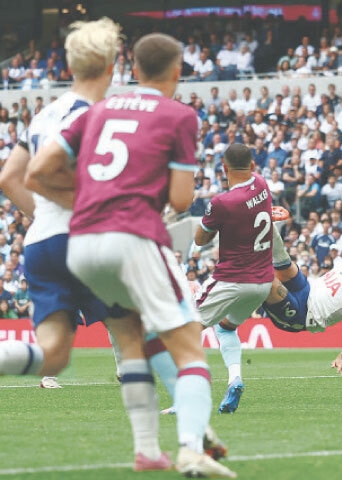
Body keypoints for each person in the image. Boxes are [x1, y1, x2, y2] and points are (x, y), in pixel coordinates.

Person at [28, 33, 235, 477]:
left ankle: (161, 444)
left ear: (133, 70)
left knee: (137, 337)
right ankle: (189, 449)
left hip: (81, 245)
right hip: (133, 235)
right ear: (178, 72)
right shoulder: (179, 115)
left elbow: (39, 170)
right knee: (190, 346)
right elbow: (181, 201)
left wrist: (88, 197)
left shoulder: (98, 110)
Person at [0, 19, 125, 391]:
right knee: (135, 328)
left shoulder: (42, 115)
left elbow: (9, 178)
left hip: (42, 240)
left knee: (54, 353)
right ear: (111, 66)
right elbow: (45, 174)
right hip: (87, 239)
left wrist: (45, 217)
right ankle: (154, 443)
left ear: (69, 65)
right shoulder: (100, 115)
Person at [218, 198, 342, 389]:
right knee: (285, 263)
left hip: (303, 315)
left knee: (267, 278)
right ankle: (267, 223)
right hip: (306, 289)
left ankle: (226, 300)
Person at [193, 143, 275, 414]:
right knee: (225, 328)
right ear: (253, 166)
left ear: (224, 168)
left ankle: (188, 398)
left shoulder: (222, 203)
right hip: (262, 283)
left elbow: (200, 238)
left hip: (232, 279)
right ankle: (235, 379)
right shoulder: (262, 184)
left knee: (184, 328)